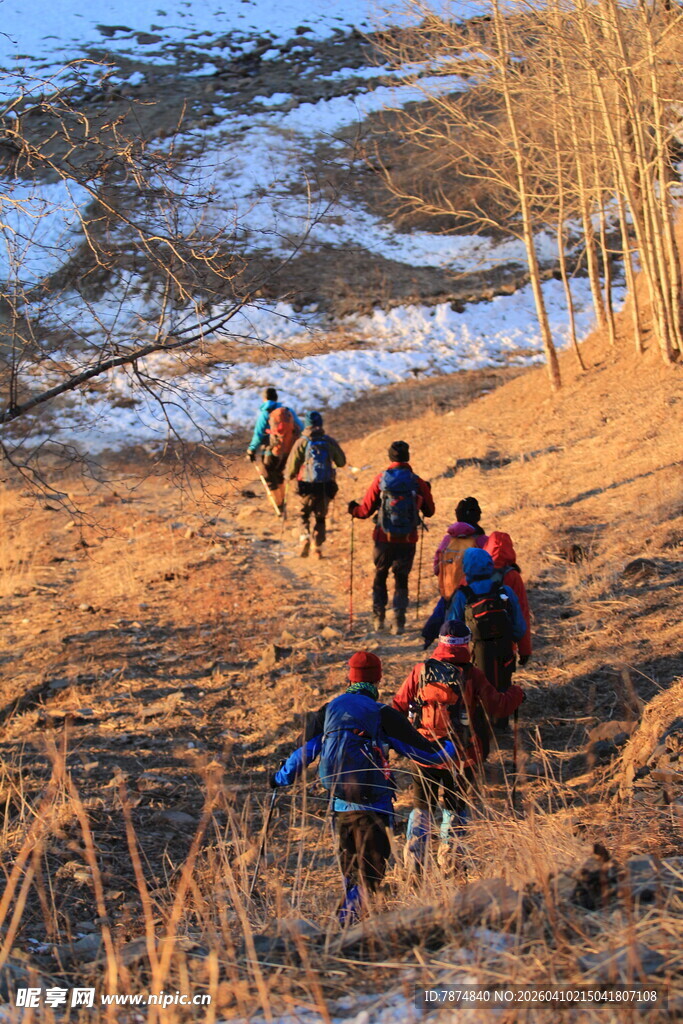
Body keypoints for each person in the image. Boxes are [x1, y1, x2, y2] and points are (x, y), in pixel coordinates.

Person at [270, 651, 458, 923]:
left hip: (340, 805)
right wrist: (456, 744)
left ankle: (354, 927)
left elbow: (303, 755)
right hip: (374, 806)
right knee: (369, 877)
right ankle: (344, 927)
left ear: (350, 677)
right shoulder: (382, 714)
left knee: (352, 873)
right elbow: (429, 756)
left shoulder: (328, 710)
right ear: (377, 679)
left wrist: (278, 779)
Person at [392, 621, 525, 871]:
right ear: (466, 644)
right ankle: (451, 862)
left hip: (424, 752)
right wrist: (517, 693)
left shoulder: (421, 670)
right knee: (455, 806)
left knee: (422, 807)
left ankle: (414, 863)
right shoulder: (472, 674)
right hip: (461, 755)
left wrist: (401, 739)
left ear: (441, 642)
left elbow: (398, 705)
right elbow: (498, 707)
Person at [347, 441, 435, 635]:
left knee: (380, 574)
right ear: (407, 457)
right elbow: (430, 511)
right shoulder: (416, 481)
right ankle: (399, 621)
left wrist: (352, 509)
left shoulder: (381, 479)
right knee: (401, 578)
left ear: (390, 457)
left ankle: (378, 619)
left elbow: (364, 511)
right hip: (408, 539)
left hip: (383, 538)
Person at [447, 548, 527, 727]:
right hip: (504, 654)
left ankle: (480, 729)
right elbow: (520, 628)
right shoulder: (504, 591)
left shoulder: (463, 595)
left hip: (474, 656)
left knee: (476, 690)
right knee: (503, 687)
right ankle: (501, 724)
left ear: (466, 568)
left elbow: (451, 628)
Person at [286, 411, 346, 558]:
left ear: (306, 425)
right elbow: (341, 462)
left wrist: (289, 476)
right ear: (320, 424)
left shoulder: (302, 442)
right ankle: (317, 547)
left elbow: (292, 466)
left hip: (306, 484)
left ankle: (304, 537)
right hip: (326, 485)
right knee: (320, 517)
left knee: (303, 514)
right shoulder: (328, 441)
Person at [246, 387, 304, 512]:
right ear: (277, 398)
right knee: (280, 476)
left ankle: (278, 506)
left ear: (264, 399)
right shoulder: (288, 412)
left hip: (270, 452)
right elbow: (301, 426)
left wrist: (251, 450)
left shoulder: (265, 413)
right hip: (288, 451)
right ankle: (283, 502)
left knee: (270, 479)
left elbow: (258, 434)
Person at [484, 531, 532, 666]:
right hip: (506, 641)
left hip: (477, 640)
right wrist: (525, 649)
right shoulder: (513, 576)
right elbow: (522, 612)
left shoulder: (475, 572)